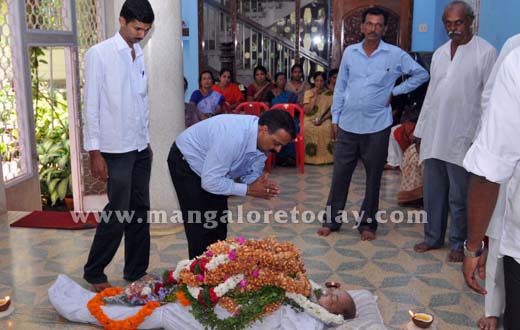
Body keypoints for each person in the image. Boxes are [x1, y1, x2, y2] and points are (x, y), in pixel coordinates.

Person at [317, 7, 429, 240]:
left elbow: (421, 75)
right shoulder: (350, 52)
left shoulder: (395, 54)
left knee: (373, 177)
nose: (373, 29)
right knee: (340, 175)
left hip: (377, 126)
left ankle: (368, 224)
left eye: (378, 25)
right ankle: (331, 221)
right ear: (362, 26)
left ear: (385, 29)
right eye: (369, 24)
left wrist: (395, 91)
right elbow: (340, 87)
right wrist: (335, 117)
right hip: (348, 124)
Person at [412, 1, 496, 262]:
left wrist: (480, 137)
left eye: (458, 22)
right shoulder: (438, 54)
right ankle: (432, 237)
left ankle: (458, 243)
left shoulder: (485, 52)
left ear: (470, 20)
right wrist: (420, 129)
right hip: (435, 134)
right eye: (448, 23)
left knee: (460, 195)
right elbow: (431, 95)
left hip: (463, 136)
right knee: (433, 192)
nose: (453, 28)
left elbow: (489, 99)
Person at [82, 0, 154, 292]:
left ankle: (136, 270)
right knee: (119, 210)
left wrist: (146, 140)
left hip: (138, 146)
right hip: (115, 148)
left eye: (146, 30)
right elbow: (91, 107)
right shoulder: (99, 54)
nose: (142, 35)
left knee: (140, 209)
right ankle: (94, 270)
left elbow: (141, 102)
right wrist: (95, 152)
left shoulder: (138, 53)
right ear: (122, 20)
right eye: (138, 28)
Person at [167, 111, 296, 259]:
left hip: (215, 170)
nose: (278, 150)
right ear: (264, 130)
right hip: (187, 162)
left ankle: (216, 269)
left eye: (282, 146)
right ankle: (199, 276)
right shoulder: (232, 138)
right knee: (200, 227)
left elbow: (251, 169)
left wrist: (255, 181)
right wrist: (248, 190)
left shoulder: (262, 141)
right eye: (276, 143)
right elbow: (210, 182)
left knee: (218, 225)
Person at [464, 33, 520, 330]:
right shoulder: (515, 47)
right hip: (506, 175)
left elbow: (490, 169)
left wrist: (472, 247)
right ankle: (494, 310)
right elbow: (491, 102)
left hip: (504, 173)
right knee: (499, 243)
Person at [303, 71, 334, 165]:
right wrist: (315, 97)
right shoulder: (308, 93)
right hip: (309, 118)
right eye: (317, 81)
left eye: (321, 81)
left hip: (324, 119)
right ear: (314, 81)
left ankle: (326, 159)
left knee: (326, 128)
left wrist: (322, 119)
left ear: (325, 82)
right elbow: (307, 111)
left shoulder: (330, 94)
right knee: (307, 127)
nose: (319, 83)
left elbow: (331, 111)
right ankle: (309, 159)